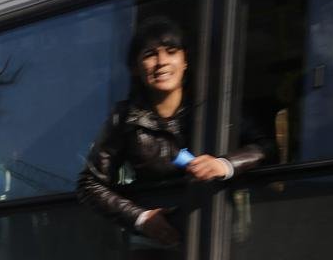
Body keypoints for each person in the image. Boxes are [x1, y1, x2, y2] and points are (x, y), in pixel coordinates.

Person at [77, 16, 274, 245]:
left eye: (171, 51)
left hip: (220, 240)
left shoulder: (216, 107)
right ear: (135, 68)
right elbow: (89, 184)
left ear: (185, 61)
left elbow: (266, 146)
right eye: (150, 54)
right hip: (155, 244)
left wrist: (225, 164)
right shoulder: (123, 118)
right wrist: (141, 219)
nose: (162, 62)